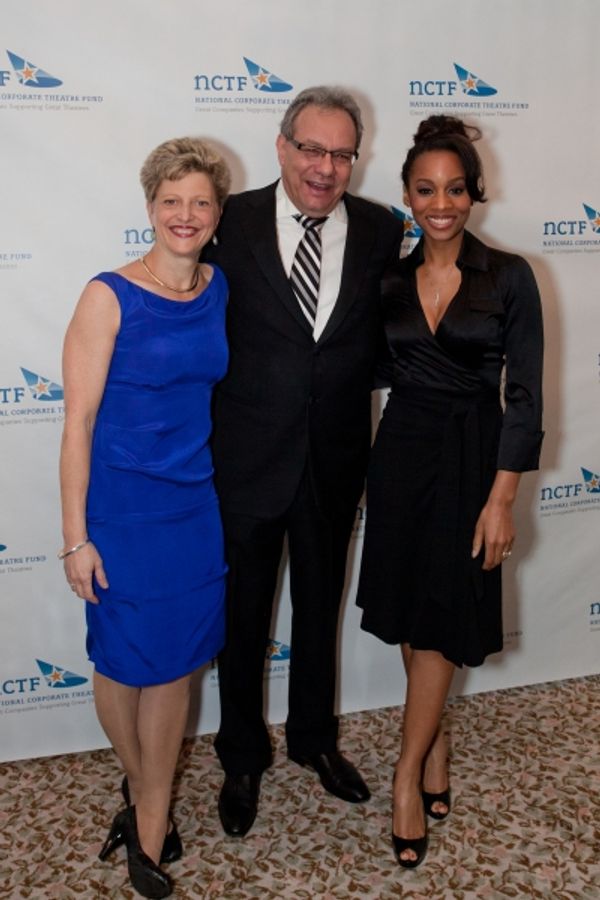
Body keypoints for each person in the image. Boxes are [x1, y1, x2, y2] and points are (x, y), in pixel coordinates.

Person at [204, 86, 403, 837]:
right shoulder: (231, 220)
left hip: (334, 462)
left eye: (341, 153)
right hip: (246, 464)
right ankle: (241, 757)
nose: (325, 167)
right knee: (242, 620)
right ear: (283, 146)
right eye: (312, 149)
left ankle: (314, 741)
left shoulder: (383, 230)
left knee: (318, 611)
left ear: (357, 158)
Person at [356, 115, 544, 868]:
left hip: (472, 458)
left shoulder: (510, 277)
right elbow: (364, 370)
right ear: (407, 194)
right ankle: (432, 750)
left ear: (474, 193)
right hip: (400, 454)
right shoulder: (391, 280)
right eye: (427, 189)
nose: (442, 203)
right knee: (411, 605)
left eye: (456, 189)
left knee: (440, 615)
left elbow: (524, 396)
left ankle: (406, 774)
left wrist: (501, 498)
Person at [59, 137, 231, 898]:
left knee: (176, 665)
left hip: (194, 506)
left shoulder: (218, 289)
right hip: (122, 512)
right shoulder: (108, 294)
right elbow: (78, 422)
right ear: (150, 207)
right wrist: (76, 539)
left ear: (217, 211)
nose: (184, 215)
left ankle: (151, 809)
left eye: (199, 201)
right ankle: (143, 790)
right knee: (121, 662)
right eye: (171, 201)